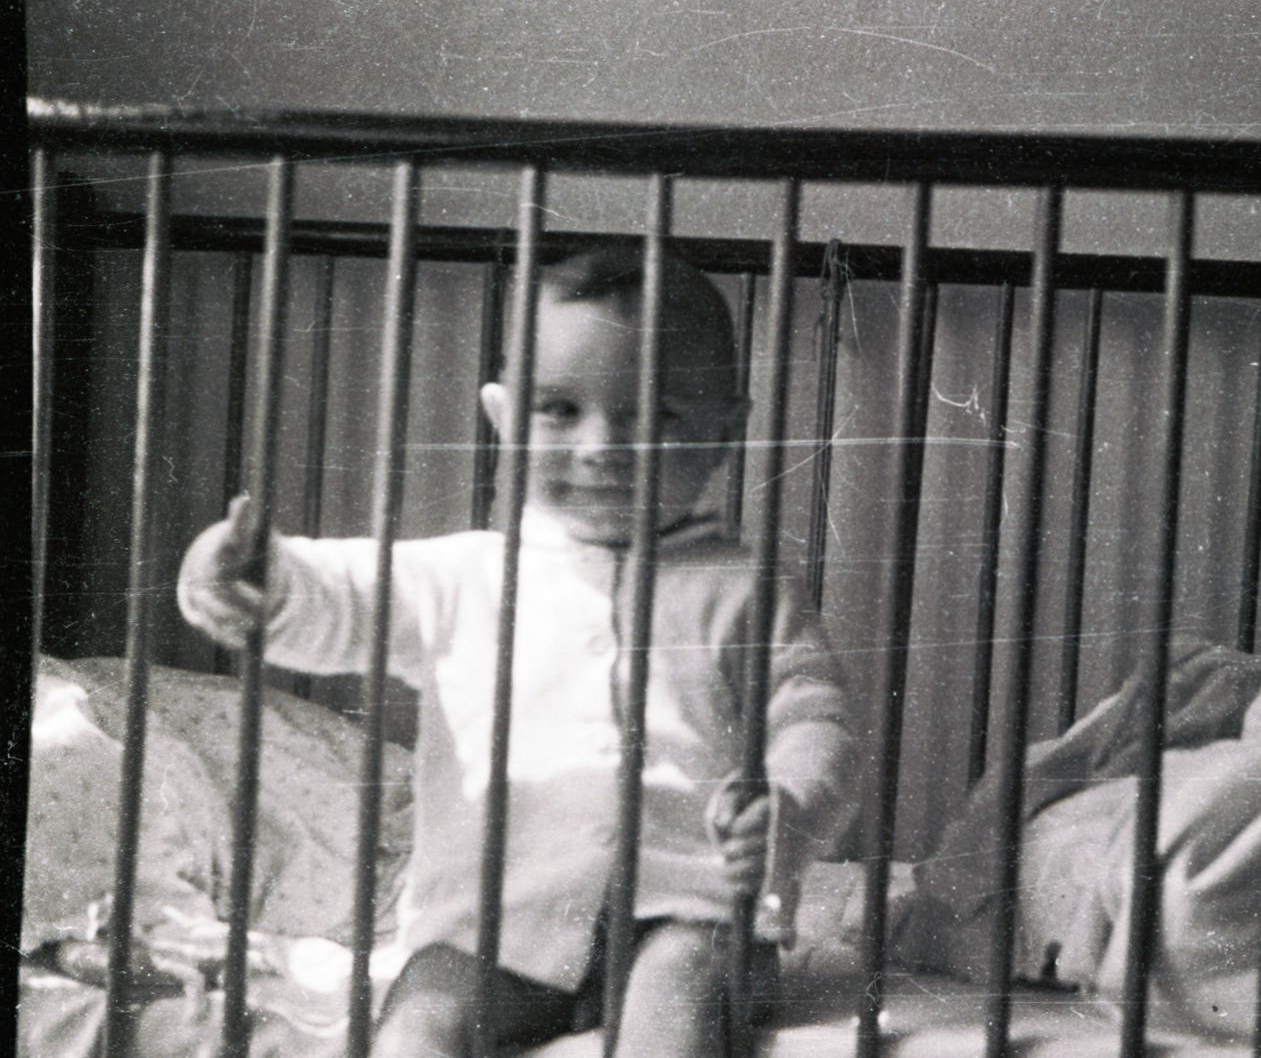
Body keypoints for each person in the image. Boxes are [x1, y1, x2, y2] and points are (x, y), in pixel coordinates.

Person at [177, 246, 859, 1057]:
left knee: (676, 990)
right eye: (560, 409)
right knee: (420, 1018)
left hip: (695, 912)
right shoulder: (466, 577)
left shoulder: (746, 590)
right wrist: (260, 581)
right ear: (502, 418)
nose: (602, 446)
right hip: (498, 926)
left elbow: (816, 721)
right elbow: (342, 593)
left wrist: (788, 808)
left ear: (723, 430)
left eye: (655, 415)